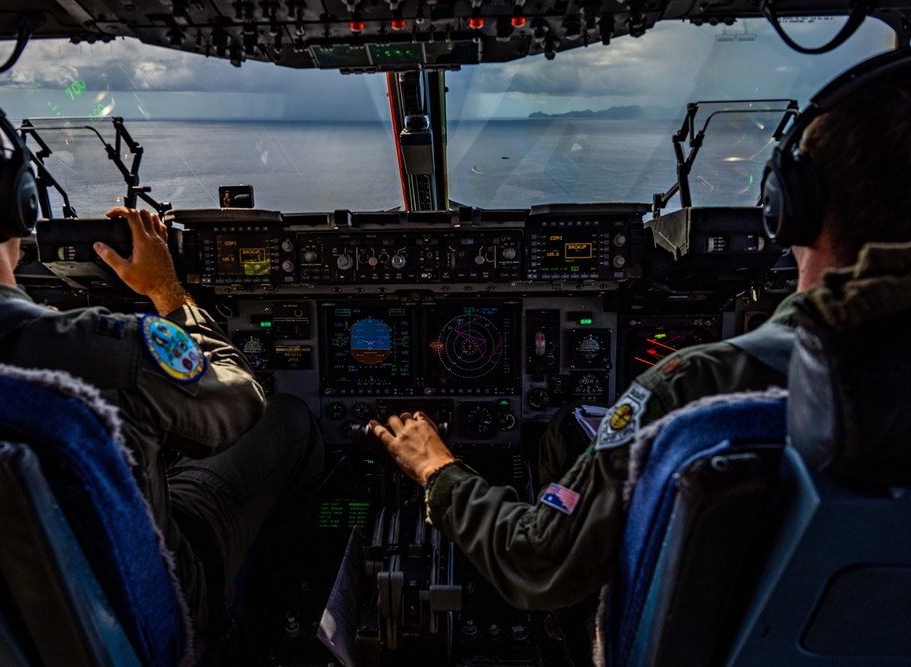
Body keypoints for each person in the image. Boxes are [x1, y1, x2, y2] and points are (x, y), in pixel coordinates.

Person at [370, 49, 911, 619]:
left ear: (789, 209)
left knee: (568, 434)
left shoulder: (691, 389)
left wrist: (436, 469)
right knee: (563, 430)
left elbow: (536, 559)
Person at [0, 65, 324, 653]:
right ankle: (269, 629)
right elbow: (238, 400)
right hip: (152, 613)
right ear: (10, 201)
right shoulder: (97, 354)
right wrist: (170, 298)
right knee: (288, 418)